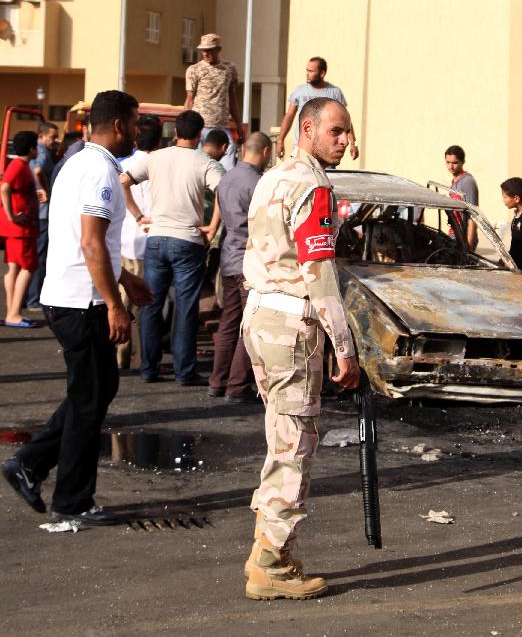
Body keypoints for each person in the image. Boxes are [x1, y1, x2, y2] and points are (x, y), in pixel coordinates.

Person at [0, 91, 152, 524]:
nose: (138, 132)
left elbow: (92, 242)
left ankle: (30, 463)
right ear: (119, 125)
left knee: (96, 390)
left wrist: (127, 281)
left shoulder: (78, 162)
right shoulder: (101, 170)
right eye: (136, 123)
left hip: (68, 294)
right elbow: (89, 243)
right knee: (89, 399)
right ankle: (71, 500)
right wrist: (114, 305)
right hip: (80, 300)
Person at [242, 97, 360, 601]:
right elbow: (319, 272)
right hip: (291, 325)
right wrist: (345, 345)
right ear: (306, 128)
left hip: (261, 316)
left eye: (348, 132)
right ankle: (272, 563)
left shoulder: (271, 177)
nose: (345, 141)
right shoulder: (313, 186)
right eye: (336, 131)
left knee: (281, 436)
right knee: (293, 447)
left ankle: (264, 549)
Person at [121, 110, 223, 386]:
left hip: (156, 238)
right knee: (186, 307)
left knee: (150, 304)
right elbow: (224, 193)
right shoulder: (205, 161)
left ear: (175, 132)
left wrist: (138, 215)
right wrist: (212, 226)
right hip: (187, 240)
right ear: (200, 134)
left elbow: (124, 182)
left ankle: (149, 367)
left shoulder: (156, 157)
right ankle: (184, 370)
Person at [209, 131, 272, 401]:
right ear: (266, 152)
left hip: (229, 257)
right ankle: (237, 386)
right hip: (250, 260)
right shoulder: (259, 183)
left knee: (228, 323)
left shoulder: (226, 179)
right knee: (249, 326)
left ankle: (217, 382)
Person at [118, 114, 163, 370]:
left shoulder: (125, 163)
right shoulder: (157, 164)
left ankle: (122, 353)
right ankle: (138, 356)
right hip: (147, 239)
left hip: (126, 238)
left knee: (124, 296)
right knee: (142, 301)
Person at [275, 57, 359, 161]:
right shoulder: (299, 91)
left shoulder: (334, 93)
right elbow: (289, 116)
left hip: (326, 152)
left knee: (323, 177)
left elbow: (345, 120)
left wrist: (353, 143)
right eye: (307, 70)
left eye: (311, 71)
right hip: (303, 150)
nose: (307, 74)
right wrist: (280, 140)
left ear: (322, 73)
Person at [184, 33, 243, 172]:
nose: (206, 53)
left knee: (227, 167)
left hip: (221, 126)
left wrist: (239, 125)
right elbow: (189, 98)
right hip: (200, 127)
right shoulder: (194, 70)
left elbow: (232, 97)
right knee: (198, 166)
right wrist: (185, 125)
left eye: (210, 49)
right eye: (203, 50)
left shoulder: (229, 69)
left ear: (218, 49)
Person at [0, 131, 40, 327]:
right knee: (27, 267)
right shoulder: (18, 166)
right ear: (31, 148)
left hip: (17, 227)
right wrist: (12, 215)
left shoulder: (19, 165)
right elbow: (5, 187)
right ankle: (14, 313)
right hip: (20, 229)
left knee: (15, 267)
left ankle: (12, 312)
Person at [24, 121, 58, 309]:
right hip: (43, 212)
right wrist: (46, 190)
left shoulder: (37, 151)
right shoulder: (42, 153)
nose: (55, 140)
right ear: (41, 136)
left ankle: (26, 297)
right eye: (52, 137)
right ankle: (33, 299)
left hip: (36, 209)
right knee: (40, 255)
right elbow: (38, 171)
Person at [200, 128, 229, 226]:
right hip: (201, 224)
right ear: (224, 147)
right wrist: (213, 227)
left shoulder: (189, 158)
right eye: (225, 152)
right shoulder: (216, 168)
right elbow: (223, 197)